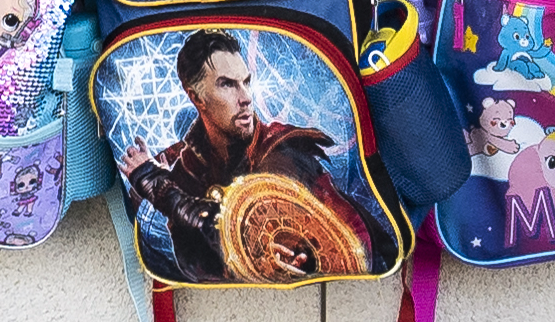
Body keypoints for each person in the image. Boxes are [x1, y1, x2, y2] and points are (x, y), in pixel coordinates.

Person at [120, 28, 378, 281]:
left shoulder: (282, 150)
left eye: (246, 82)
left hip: (356, 267)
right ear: (196, 97)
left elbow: (238, 231)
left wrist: (157, 185)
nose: (245, 98)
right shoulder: (186, 163)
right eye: (227, 85)